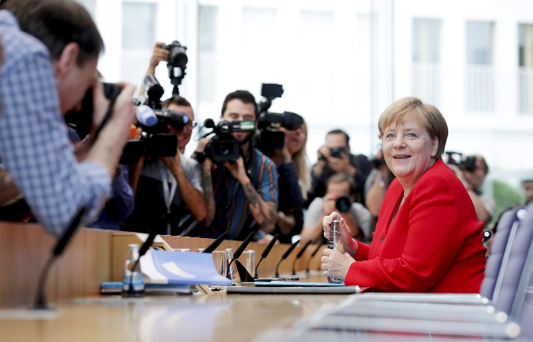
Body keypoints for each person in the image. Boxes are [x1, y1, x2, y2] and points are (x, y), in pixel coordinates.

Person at [321, 97, 486, 293]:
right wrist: (352, 248)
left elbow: (415, 274)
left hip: (443, 314)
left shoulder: (438, 185)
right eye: (390, 135)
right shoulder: (397, 187)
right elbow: (386, 259)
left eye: (411, 135)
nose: (398, 144)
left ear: (434, 145)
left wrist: (350, 269)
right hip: (415, 308)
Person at [0, 0, 136, 237]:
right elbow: (67, 214)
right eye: (86, 84)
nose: (77, 105)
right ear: (68, 58)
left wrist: (82, 152)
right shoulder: (27, 57)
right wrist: (111, 135)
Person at [193, 90, 279, 240]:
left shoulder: (265, 165)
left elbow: (269, 224)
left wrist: (244, 179)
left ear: (256, 123)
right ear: (222, 119)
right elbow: (204, 218)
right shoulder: (204, 152)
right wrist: (205, 166)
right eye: (234, 117)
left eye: (247, 118)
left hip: (232, 251)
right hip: (191, 244)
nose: (239, 123)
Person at [124, 95, 206, 235]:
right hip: (134, 242)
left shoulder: (190, 166)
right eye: (177, 122)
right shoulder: (138, 156)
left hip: (170, 247)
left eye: (190, 124)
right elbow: (123, 210)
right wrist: (138, 160)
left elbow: (201, 214)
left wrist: (177, 169)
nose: (185, 130)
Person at [267, 120, 309, 244]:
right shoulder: (262, 160)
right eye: (293, 127)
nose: (298, 133)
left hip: (282, 243)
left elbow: (297, 217)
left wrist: (286, 158)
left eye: (303, 131)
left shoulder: (300, 169)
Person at [301, 173, 371, 244]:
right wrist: (324, 215)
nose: (337, 202)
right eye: (334, 198)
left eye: (342, 199)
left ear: (352, 197)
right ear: (326, 195)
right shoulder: (319, 205)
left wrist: (347, 218)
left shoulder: (357, 210)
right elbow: (304, 242)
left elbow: (368, 244)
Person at [308, 129, 372, 206]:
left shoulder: (360, 161)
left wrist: (350, 171)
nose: (335, 152)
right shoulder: (321, 166)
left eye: (339, 149)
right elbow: (308, 200)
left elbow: (371, 190)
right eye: (331, 149)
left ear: (348, 148)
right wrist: (318, 170)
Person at [448, 155, 495, 225]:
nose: (475, 172)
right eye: (472, 167)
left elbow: (482, 218)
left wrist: (463, 182)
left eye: (479, 168)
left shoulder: (486, 200)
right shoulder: (450, 191)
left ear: (485, 173)